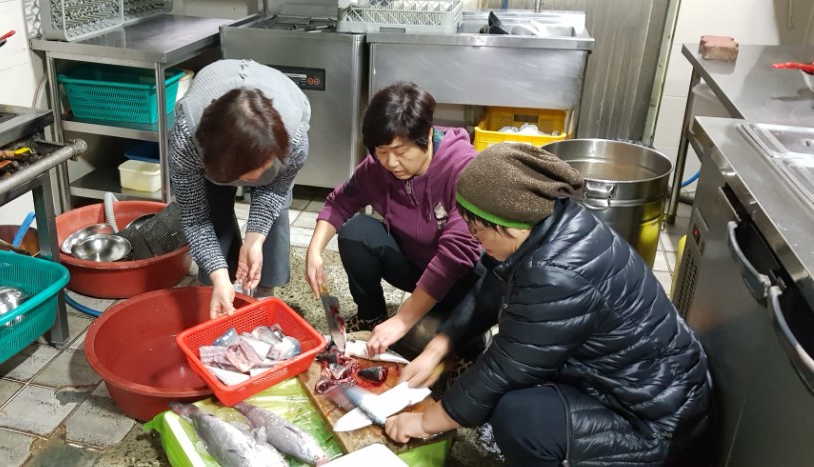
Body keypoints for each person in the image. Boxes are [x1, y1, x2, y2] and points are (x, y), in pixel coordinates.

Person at [386, 143, 712, 466]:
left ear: (511, 224)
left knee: (517, 416)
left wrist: (424, 422)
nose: (475, 239)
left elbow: (505, 366)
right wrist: (437, 349)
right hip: (629, 385)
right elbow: (492, 286)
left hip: (655, 423)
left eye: (478, 229)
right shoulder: (548, 222)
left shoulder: (556, 274)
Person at [304, 81, 482, 359]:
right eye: (382, 151)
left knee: (425, 338)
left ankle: (471, 341)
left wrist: (403, 319)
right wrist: (314, 252)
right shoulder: (377, 167)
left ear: (427, 135)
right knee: (355, 232)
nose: (391, 163)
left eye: (401, 152)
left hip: (460, 278)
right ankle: (371, 316)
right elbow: (339, 202)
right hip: (415, 267)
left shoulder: (463, 167)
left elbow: (457, 253)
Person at [170, 59, 311, 318]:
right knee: (214, 211)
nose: (252, 180)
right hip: (209, 140)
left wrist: (255, 240)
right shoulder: (186, 142)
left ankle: (265, 290)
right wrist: (219, 276)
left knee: (274, 213)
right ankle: (220, 285)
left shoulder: (294, 141)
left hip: (281, 100)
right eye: (243, 175)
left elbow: (275, 191)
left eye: (260, 169)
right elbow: (195, 218)